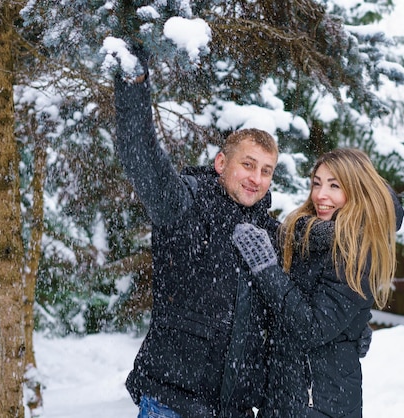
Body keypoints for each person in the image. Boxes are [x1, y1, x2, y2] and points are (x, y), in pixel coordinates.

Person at [114, 53, 280, 417]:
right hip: (172, 402)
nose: (257, 178)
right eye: (248, 165)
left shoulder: (270, 234)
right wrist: (133, 86)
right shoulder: (186, 204)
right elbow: (142, 159)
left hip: (234, 409)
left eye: (266, 170)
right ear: (222, 163)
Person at [233, 148, 403, 417]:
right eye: (317, 183)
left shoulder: (355, 251)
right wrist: (351, 324)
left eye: (335, 186)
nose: (321, 195)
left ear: (357, 190)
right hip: (285, 397)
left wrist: (267, 270)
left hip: (318, 404)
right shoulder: (310, 236)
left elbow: (311, 329)